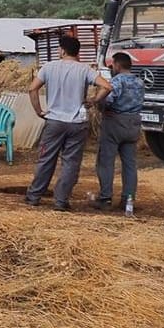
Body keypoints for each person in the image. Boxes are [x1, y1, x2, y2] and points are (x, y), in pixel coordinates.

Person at [25, 32, 111, 212]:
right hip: (77, 122)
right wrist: (94, 100)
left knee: (46, 159)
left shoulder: (49, 67)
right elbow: (107, 86)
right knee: (71, 162)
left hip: (54, 120)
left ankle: (34, 196)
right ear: (77, 52)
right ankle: (61, 200)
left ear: (62, 51)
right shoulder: (85, 69)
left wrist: (39, 111)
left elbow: (32, 89)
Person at [93, 51, 144, 214]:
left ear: (117, 65)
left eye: (112, 64)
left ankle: (105, 197)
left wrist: (97, 103)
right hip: (134, 122)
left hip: (115, 122)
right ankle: (128, 198)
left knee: (106, 161)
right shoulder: (139, 82)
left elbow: (107, 101)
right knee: (129, 163)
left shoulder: (116, 82)